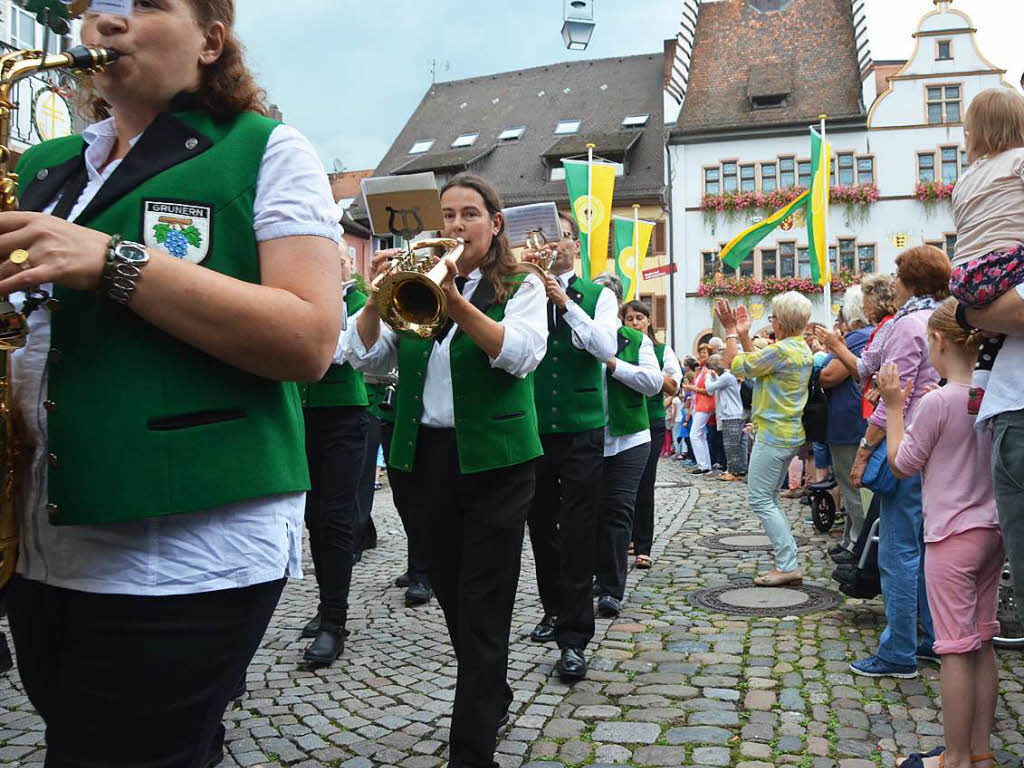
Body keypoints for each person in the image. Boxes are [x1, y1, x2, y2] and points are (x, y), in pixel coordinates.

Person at [0, 2, 343, 765]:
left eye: (146, 3)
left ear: (212, 41)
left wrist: (115, 262)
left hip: (186, 542)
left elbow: (310, 337)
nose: (108, 22)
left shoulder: (267, 149)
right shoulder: (41, 167)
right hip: (43, 537)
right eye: (98, 6)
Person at [347, 173, 547, 768]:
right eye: (449, 216)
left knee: (485, 603)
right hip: (423, 463)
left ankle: (471, 750)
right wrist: (374, 298)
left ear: (495, 223)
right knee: (458, 600)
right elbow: (367, 359)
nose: (456, 227)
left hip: (498, 464)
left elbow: (520, 355)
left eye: (469, 215)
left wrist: (455, 299)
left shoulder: (521, 284)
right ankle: (493, 689)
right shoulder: (417, 279)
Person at [879, 299, 1003, 768]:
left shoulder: (936, 401)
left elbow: (902, 464)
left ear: (938, 342)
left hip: (951, 536)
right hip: (992, 530)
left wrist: (894, 408)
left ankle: (953, 757)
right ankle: (981, 751)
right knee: (982, 641)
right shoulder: (994, 394)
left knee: (952, 649)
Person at [819, 245, 950, 679]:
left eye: (897, 275)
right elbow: (874, 370)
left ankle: (898, 651)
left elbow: (895, 394)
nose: (892, 282)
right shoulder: (944, 317)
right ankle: (930, 638)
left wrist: (864, 451)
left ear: (910, 280)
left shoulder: (908, 324)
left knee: (898, 550)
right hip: (939, 445)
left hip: (906, 444)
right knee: (927, 547)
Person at [525, 211, 617, 683]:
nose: (549, 245)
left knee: (579, 529)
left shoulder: (599, 295)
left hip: (582, 428)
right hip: (534, 427)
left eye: (558, 236)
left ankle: (575, 639)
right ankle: (553, 609)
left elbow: (604, 348)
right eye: (541, 237)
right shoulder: (523, 289)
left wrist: (565, 302)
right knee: (541, 527)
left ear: (574, 245)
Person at [296, 249, 369, 665]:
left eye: (338, 258)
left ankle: (334, 621)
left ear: (348, 267)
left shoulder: (359, 303)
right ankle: (325, 606)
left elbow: (342, 349)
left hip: (345, 417)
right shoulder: (311, 298)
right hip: (305, 414)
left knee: (336, 518)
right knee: (313, 518)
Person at [717, 292, 813, 587]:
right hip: (787, 433)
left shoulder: (782, 350)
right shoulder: (799, 349)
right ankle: (787, 560)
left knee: (760, 498)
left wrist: (731, 331)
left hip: (773, 434)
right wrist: (745, 337)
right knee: (768, 497)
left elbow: (736, 365)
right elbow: (759, 368)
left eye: (772, 317)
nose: (771, 322)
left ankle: (787, 563)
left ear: (780, 322)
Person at [591, 273, 662, 618]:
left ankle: (611, 589)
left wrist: (613, 364)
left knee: (618, 510)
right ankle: (592, 574)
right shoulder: (579, 335)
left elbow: (653, 383)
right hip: (587, 437)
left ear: (617, 306)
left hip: (630, 438)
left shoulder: (634, 339)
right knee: (588, 513)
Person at [948, 88, 1024, 398]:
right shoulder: (1019, 160)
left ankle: (980, 386)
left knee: (993, 333)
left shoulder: (966, 178)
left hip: (966, 276)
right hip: (1006, 263)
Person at [622, 299, 681, 570]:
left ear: (648, 321)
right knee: (622, 487)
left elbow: (672, 387)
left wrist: (646, 373)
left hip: (651, 422)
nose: (634, 323)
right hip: (624, 423)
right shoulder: (617, 348)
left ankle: (643, 547)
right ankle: (626, 538)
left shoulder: (661, 351)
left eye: (639, 318)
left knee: (645, 484)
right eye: (629, 319)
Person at [819, 286, 873, 564]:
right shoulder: (861, 337)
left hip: (848, 421)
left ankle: (860, 548)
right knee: (849, 485)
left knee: (853, 488)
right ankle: (850, 540)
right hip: (848, 419)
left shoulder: (857, 338)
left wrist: (832, 350)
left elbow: (828, 375)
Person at [705, 353, 746, 481]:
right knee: (732, 445)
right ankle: (735, 469)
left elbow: (709, 389)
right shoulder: (726, 376)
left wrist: (708, 376)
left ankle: (733, 472)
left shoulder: (727, 377)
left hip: (732, 414)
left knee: (731, 445)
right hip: (731, 414)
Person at [683, 343, 714, 474]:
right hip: (698, 405)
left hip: (704, 405)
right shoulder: (700, 370)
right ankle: (706, 466)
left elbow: (709, 391)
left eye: (704, 353)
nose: (701, 355)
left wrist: (691, 388)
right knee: (700, 436)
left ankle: (703, 465)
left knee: (694, 435)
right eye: (700, 352)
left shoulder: (707, 371)